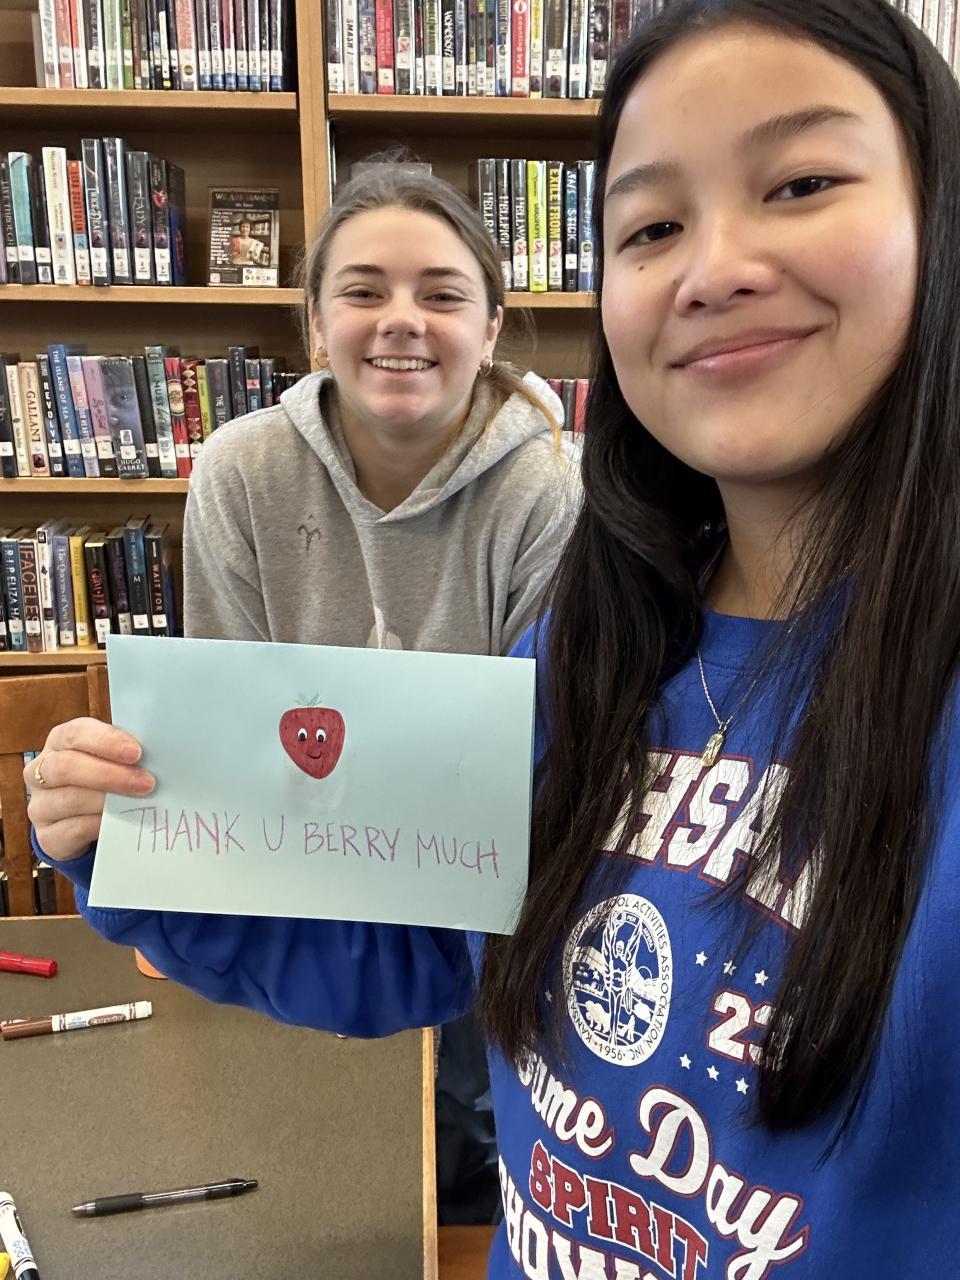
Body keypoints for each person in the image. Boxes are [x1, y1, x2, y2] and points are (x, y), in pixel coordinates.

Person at [26, 1, 960, 1272]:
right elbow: (414, 935)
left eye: (800, 183)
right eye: (651, 226)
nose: (716, 266)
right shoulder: (591, 645)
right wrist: (138, 841)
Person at [29, 162, 578, 1228]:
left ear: (492, 326)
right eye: (363, 290)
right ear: (316, 322)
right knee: (305, 1130)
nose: (401, 319)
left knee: (474, 1127)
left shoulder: (547, 487)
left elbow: (530, 757)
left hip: (477, 892)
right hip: (305, 870)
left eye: (442, 293)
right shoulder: (241, 469)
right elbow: (234, 723)